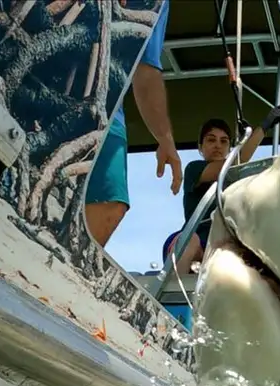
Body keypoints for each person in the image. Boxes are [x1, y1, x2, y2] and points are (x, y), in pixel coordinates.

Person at [85, 1, 182, 248]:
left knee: (110, 201)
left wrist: (165, 139)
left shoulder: (159, 4)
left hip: (103, 104)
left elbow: (145, 68)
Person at [162, 107, 280, 275]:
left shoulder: (238, 182)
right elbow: (238, 159)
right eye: (211, 140)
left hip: (222, 250)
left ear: (229, 147)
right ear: (200, 147)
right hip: (192, 246)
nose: (217, 146)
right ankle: (170, 292)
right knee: (190, 242)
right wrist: (264, 126)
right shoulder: (194, 169)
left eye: (224, 141)